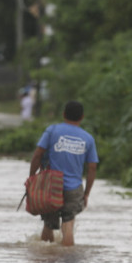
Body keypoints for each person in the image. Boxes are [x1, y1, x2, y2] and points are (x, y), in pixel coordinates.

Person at [26, 100, 98, 246]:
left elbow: (38, 154)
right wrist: (87, 193)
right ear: (82, 117)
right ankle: (67, 262)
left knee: (48, 224)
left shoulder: (52, 131)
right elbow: (92, 168)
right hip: (74, 187)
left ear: (64, 114)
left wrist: (32, 178)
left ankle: (48, 259)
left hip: (51, 185)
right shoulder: (88, 138)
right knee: (68, 224)